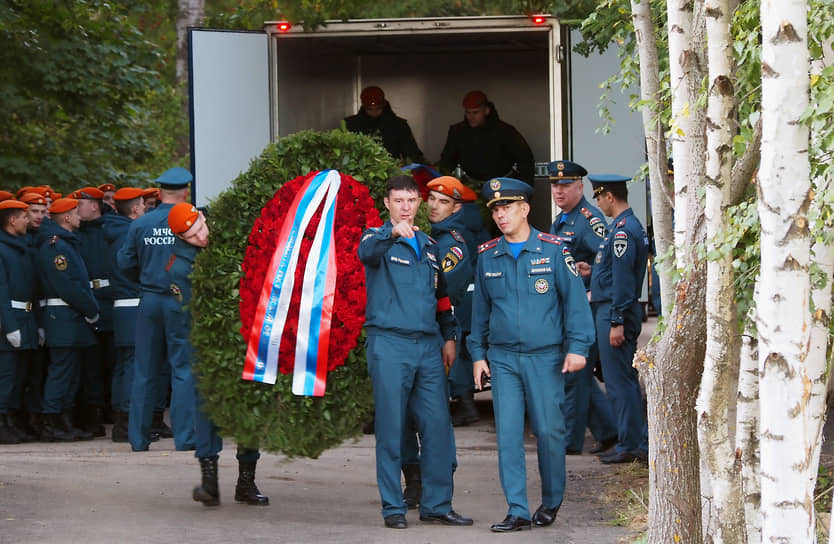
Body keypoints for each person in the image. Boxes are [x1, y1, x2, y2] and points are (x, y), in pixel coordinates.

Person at [468, 177, 594, 532]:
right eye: (495, 209)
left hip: (545, 357)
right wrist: (478, 355)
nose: (500, 214)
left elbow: (575, 304)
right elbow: (479, 313)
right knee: (508, 434)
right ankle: (518, 510)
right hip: (504, 358)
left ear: (524, 208)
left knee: (550, 432)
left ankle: (551, 501)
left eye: (506, 207)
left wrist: (579, 348)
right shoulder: (487, 255)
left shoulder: (554, 250)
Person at [358, 174, 472, 529]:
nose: (406, 208)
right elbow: (366, 253)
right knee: (391, 428)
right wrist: (390, 233)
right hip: (390, 343)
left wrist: (449, 335)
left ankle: (437, 504)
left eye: (411, 201)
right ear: (388, 204)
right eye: (399, 201)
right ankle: (393, 507)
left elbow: (441, 297)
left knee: (438, 426)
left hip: (428, 345)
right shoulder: (376, 238)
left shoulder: (430, 244)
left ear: (418, 204)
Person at [165, 202, 268, 507]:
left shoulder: (223, 238)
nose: (201, 236)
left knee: (249, 411)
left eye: (200, 227)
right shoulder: (178, 267)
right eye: (192, 235)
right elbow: (191, 315)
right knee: (208, 413)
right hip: (209, 346)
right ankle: (210, 483)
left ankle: (246, 482)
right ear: (182, 239)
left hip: (244, 341)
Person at [118, 167, 195, 452]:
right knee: (183, 368)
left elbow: (124, 263)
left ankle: (138, 439)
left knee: (144, 369)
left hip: (149, 299)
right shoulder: (192, 220)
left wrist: (145, 281)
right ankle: (185, 437)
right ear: (186, 192)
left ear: (160, 193)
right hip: (180, 299)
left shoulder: (141, 224)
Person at [547, 160, 618, 456]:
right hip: (568, 305)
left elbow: (609, 256)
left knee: (573, 374)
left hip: (586, 307)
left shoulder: (587, 220)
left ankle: (569, 441)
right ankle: (609, 430)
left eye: (565, 185)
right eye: (554, 185)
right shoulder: (563, 220)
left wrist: (592, 276)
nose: (558, 191)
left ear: (580, 187)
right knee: (580, 373)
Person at [588, 174, 650, 465]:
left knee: (619, 381)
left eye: (598, 197)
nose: (598, 203)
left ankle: (631, 444)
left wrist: (616, 321)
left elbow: (624, 283)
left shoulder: (623, 231)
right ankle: (633, 440)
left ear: (609, 197)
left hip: (615, 313)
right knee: (620, 379)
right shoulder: (624, 227)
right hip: (613, 310)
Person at [37, 197, 99, 442]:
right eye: (75, 212)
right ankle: (51, 422)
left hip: (71, 317)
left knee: (70, 373)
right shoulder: (56, 246)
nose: (79, 216)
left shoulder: (67, 243)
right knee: (61, 372)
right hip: (63, 315)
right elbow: (68, 286)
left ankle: (64, 420)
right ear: (65, 217)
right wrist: (91, 308)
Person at [102, 187, 146, 442]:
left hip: (121, 305)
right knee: (131, 365)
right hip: (133, 302)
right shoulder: (129, 233)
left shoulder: (113, 231)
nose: (144, 209)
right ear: (134, 209)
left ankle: (122, 418)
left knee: (123, 365)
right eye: (141, 205)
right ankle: (127, 421)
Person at [73, 186, 114, 437]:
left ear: (94, 206)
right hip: (84, 304)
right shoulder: (74, 233)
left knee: (111, 361)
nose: (76, 209)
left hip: (108, 302)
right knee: (90, 365)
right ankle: (94, 414)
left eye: (81, 204)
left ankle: (111, 408)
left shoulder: (109, 229)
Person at [0, 199, 39, 443]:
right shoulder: (2, 249)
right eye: (24, 216)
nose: (28, 220)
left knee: (19, 375)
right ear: (12, 221)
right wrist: (10, 326)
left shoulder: (20, 246)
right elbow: (1, 290)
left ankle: (12, 420)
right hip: (10, 319)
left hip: (26, 316)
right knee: (7, 374)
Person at [438, 90, 535, 185]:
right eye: (468, 112)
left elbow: (525, 160)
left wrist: (524, 189)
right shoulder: (457, 132)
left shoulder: (505, 131)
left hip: (504, 185)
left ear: (486, 110)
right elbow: (447, 162)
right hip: (472, 186)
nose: (471, 117)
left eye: (475, 112)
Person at [345, 86, 424, 163]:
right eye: (370, 109)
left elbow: (412, 154)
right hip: (359, 171)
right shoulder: (351, 125)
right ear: (364, 106)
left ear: (383, 105)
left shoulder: (399, 125)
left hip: (392, 171)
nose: (374, 112)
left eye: (378, 108)